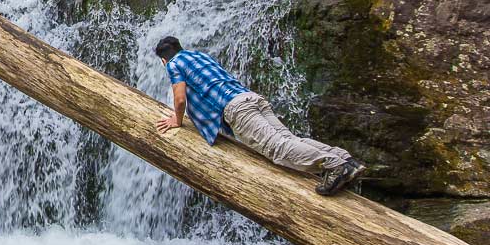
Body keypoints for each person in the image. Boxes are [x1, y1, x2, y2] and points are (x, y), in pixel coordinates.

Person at [153, 36, 365, 196]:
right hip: (250, 98)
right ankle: (345, 158)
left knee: (277, 148)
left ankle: (335, 166)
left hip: (236, 109)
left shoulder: (174, 64)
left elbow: (180, 99)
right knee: (288, 139)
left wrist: (176, 120)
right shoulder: (200, 56)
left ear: (164, 60)